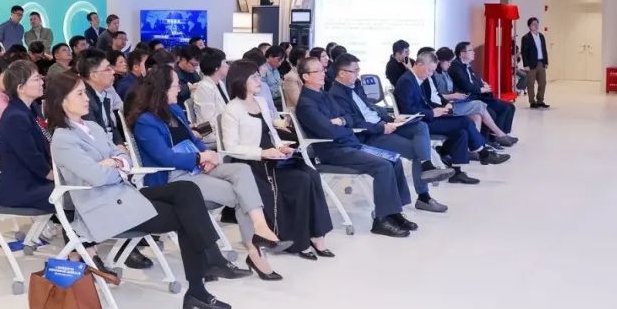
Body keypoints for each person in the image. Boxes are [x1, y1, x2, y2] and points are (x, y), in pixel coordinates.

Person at [48, 72, 234, 309]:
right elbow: (97, 176)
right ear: (62, 101)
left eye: (85, 92)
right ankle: (201, 283)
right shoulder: (63, 139)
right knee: (187, 215)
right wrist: (117, 166)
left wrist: (114, 163)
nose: (86, 99)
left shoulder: (92, 127)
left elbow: (123, 156)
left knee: (186, 190)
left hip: (124, 195)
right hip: (104, 207)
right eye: (80, 94)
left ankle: (210, 265)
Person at [128, 66, 290, 278]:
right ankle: (256, 253)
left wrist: (208, 155)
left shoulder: (174, 111)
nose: (180, 89)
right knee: (240, 194)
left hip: (196, 168)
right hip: (174, 177)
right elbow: (164, 157)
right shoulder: (145, 122)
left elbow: (194, 140)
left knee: (242, 170)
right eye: (176, 85)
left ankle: (260, 229)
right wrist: (199, 158)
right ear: (162, 89)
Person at [222, 60, 334, 259]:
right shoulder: (232, 109)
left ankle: (317, 234)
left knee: (311, 173)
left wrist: (281, 146)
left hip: (273, 157)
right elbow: (231, 147)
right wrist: (262, 153)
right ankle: (299, 240)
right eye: (254, 77)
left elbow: (271, 132)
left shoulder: (261, 102)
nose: (259, 80)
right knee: (300, 180)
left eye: (258, 76)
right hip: (253, 164)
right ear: (240, 80)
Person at [293, 57, 415, 238]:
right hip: (333, 151)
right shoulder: (306, 104)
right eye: (317, 71)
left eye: (322, 70)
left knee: (394, 160)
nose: (323, 73)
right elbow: (328, 131)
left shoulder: (324, 95)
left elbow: (349, 117)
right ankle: (381, 220)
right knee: (382, 166)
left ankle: (394, 212)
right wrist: (343, 126)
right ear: (305, 76)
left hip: (349, 144)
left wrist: (341, 121)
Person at [328, 53, 455, 213]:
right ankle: (424, 196)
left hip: (384, 124)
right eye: (355, 71)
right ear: (342, 73)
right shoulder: (336, 95)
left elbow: (371, 108)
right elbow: (354, 122)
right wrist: (382, 128)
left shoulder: (356, 86)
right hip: (372, 134)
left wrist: (392, 118)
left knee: (421, 126)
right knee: (418, 150)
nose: (358, 74)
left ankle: (426, 166)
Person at [397, 50, 507, 174]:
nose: (430, 74)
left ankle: (457, 171)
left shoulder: (417, 78)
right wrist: (433, 113)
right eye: (429, 70)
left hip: (427, 117)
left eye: (432, 71)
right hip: (420, 123)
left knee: (461, 132)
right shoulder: (407, 81)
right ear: (419, 64)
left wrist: (441, 108)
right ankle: (483, 153)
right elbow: (408, 110)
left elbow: (426, 102)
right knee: (464, 121)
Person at [0, 61, 53, 211]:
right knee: (75, 195)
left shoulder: (32, 108)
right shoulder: (15, 117)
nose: (42, 82)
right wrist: (57, 177)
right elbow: (32, 157)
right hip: (23, 188)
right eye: (36, 79)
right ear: (20, 87)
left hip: (38, 181)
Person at [432, 48, 517, 146]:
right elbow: (436, 96)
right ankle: (499, 135)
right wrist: (453, 96)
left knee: (477, 115)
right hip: (446, 105)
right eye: (448, 62)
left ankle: (478, 145)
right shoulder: (436, 74)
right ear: (440, 61)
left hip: (454, 101)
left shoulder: (446, 72)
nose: (450, 64)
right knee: (480, 105)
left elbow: (473, 80)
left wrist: (458, 95)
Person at [450, 41, 515, 134]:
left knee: (510, 106)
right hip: (469, 99)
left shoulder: (467, 65)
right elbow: (466, 85)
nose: (474, 52)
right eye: (471, 50)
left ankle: (505, 134)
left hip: (477, 96)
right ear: (462, 54)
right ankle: (496, 135)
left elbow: (475, 80)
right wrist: (481, 89)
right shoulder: (456, 66)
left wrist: (483, 85)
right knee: (502, 109)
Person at [79, 51, 124, 145]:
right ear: (94, 76)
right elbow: (95, 137)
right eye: (108, 69)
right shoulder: (84, 100)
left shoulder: (104, 93)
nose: (113, 72)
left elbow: (112, 127)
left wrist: (120, 145)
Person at [191, 48, 229, 130]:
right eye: (225, 62)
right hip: (213, 132)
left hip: (224, 127)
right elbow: (209, 121)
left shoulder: (220, 83)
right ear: (216, 67)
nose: (228, 66)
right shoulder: (204, 88)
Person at [520, 17, 550, 109]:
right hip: (531, 64)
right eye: (533, 24)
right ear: (529, 26)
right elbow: (524, 52)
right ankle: (532, 102)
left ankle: (540, 100)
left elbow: (544, 50)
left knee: (543, 82)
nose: (536, 25)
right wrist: (526, 65)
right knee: (530, 84)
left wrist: (546, 61)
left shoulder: (541, 36)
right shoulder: (526, 38)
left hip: (541, 62)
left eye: (537, 23)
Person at [281, 45, 307, 110]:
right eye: (308, 58)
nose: (311, 60)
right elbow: (298, 102)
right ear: (299, 60)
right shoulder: (291, 77)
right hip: (297, 112)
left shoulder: (306, 74)